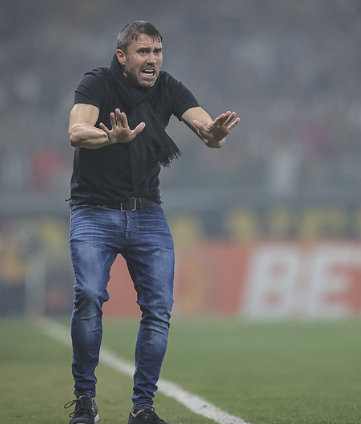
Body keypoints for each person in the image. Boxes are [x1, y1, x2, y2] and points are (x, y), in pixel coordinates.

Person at [64, 21, 239, 424]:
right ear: (122, 56)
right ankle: (85, 400)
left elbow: (208, 132)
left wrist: (214, 134)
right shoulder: (96, 84)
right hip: (93, 211)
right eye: (143, 52)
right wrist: (111, 138)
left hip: (147, 212)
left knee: (158, 308)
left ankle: (143, 408)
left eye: (157, 52)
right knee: (89, 296)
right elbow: (76, 132)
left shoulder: (169, 87)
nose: (153, 60)